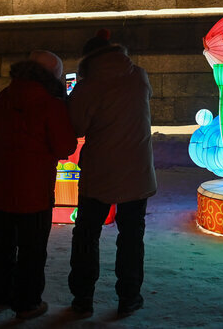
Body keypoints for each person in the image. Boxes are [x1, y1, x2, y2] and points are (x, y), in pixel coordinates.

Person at [66, 29, 157, 318]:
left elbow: (76, 127)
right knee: (131, 235)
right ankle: (129, 297)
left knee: (87, 234)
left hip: (100, 171)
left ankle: (83, 299)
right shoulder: (139, 76)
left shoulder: (88, 87)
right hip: (137, 170)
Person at [0, 50, 77, 319]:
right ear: (53, 76)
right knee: (32, 250)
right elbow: (65, 146)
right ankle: (27, 303)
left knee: (0, 247)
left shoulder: (6, 95)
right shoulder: (51, 104)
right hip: (33, 191)